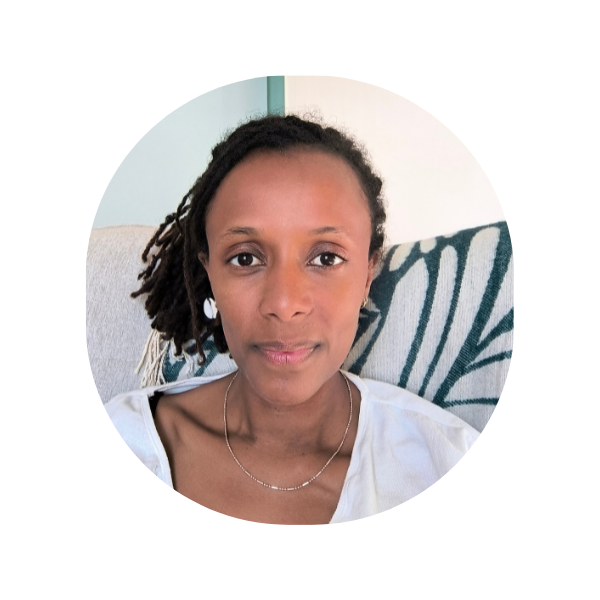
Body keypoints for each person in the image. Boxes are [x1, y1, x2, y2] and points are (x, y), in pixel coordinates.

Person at [105, 114, 479, 525]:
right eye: (245, 258)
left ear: (368, 274)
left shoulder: (446, 464)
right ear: (209, 273)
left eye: (326, 258)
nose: (284, 304)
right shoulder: (124, 442)